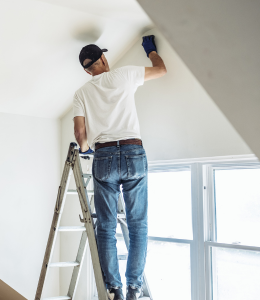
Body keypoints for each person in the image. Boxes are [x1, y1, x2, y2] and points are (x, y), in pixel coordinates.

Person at [72, 35, 166, 300]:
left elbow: (80, 135)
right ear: (103, 59)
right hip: (133, 152)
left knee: (106, 227)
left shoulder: (81, 93)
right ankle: (134, 286)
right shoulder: (123, 75)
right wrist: (151, 51)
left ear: (87, 69)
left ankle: (114, 288)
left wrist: (87, 150)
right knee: (138, 225)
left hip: (103, 158)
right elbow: (161, 70)